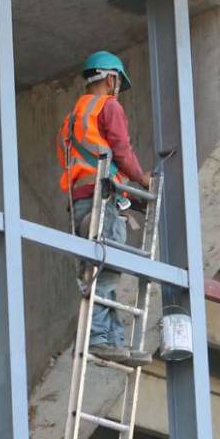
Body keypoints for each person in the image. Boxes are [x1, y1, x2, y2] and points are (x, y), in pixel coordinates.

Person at [56, 51, 152, 366]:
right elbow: (121, 151)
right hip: (103, 201)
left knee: (100, 265)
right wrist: (142, 179)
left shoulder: (71, 118)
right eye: (118, 83)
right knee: (107, 267)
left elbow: (81, 161)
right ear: (111, 78)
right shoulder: (108, 106)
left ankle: (113, 339)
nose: (118, 89)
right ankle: (99, 337)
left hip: (80, 201)